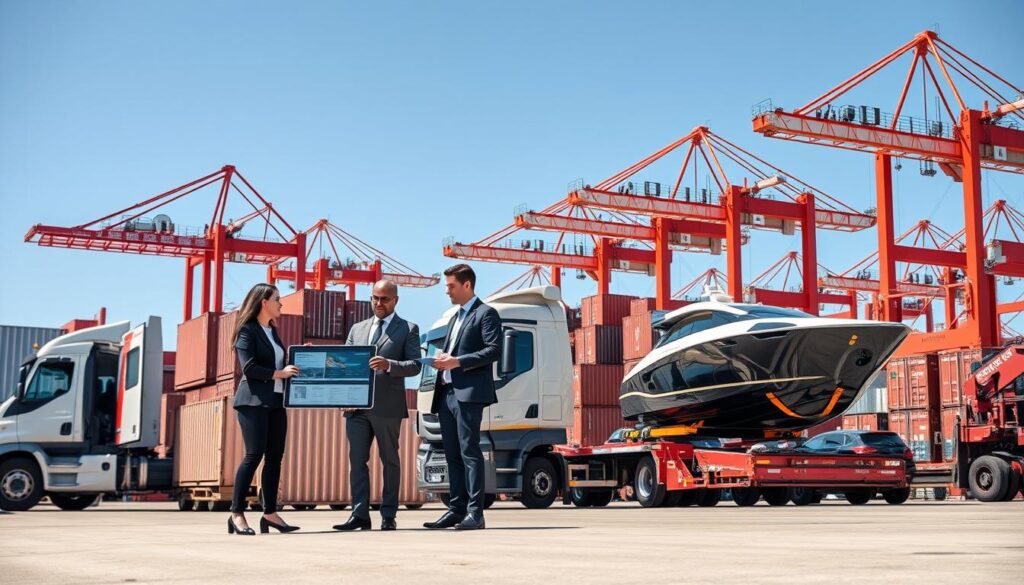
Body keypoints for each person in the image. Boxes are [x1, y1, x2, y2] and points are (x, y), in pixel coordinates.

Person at [333, 279, 422, 532]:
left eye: (384, 299)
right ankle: (359, 514)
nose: (378, 303)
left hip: (388, 407)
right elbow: (345, 365)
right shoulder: (357, 329)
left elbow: (415, 365)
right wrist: (343, 396)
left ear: (396, 300)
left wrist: (389, 365)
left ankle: (388, 515)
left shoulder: (408, 329)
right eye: (375, 298)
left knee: (390, 461)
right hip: (357, 408)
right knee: (357, 461)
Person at [423, 264, 502, 531]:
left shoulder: (486, 314)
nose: (447, 291)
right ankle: (456, 510)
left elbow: (494, 350)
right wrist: (441, 361)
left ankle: (475, 513)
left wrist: (457, 361)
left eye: (451, 286)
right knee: (452, 454)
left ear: (467, 285)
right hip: (446, 393)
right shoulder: (454, 318)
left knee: (470, 452)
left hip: (468, 394)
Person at [228, 283, 301, 536]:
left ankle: (270, 513)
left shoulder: (272, 331)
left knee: (275, 458)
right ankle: (237, 514)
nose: (281, 303)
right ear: (264, 302)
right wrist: (281, 373)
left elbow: (279, 364)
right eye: (277, 299)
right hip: (253, 402)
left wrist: (299, 359)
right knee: (254, 455)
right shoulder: (247, 330)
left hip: (277, 401)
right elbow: (249, 368)